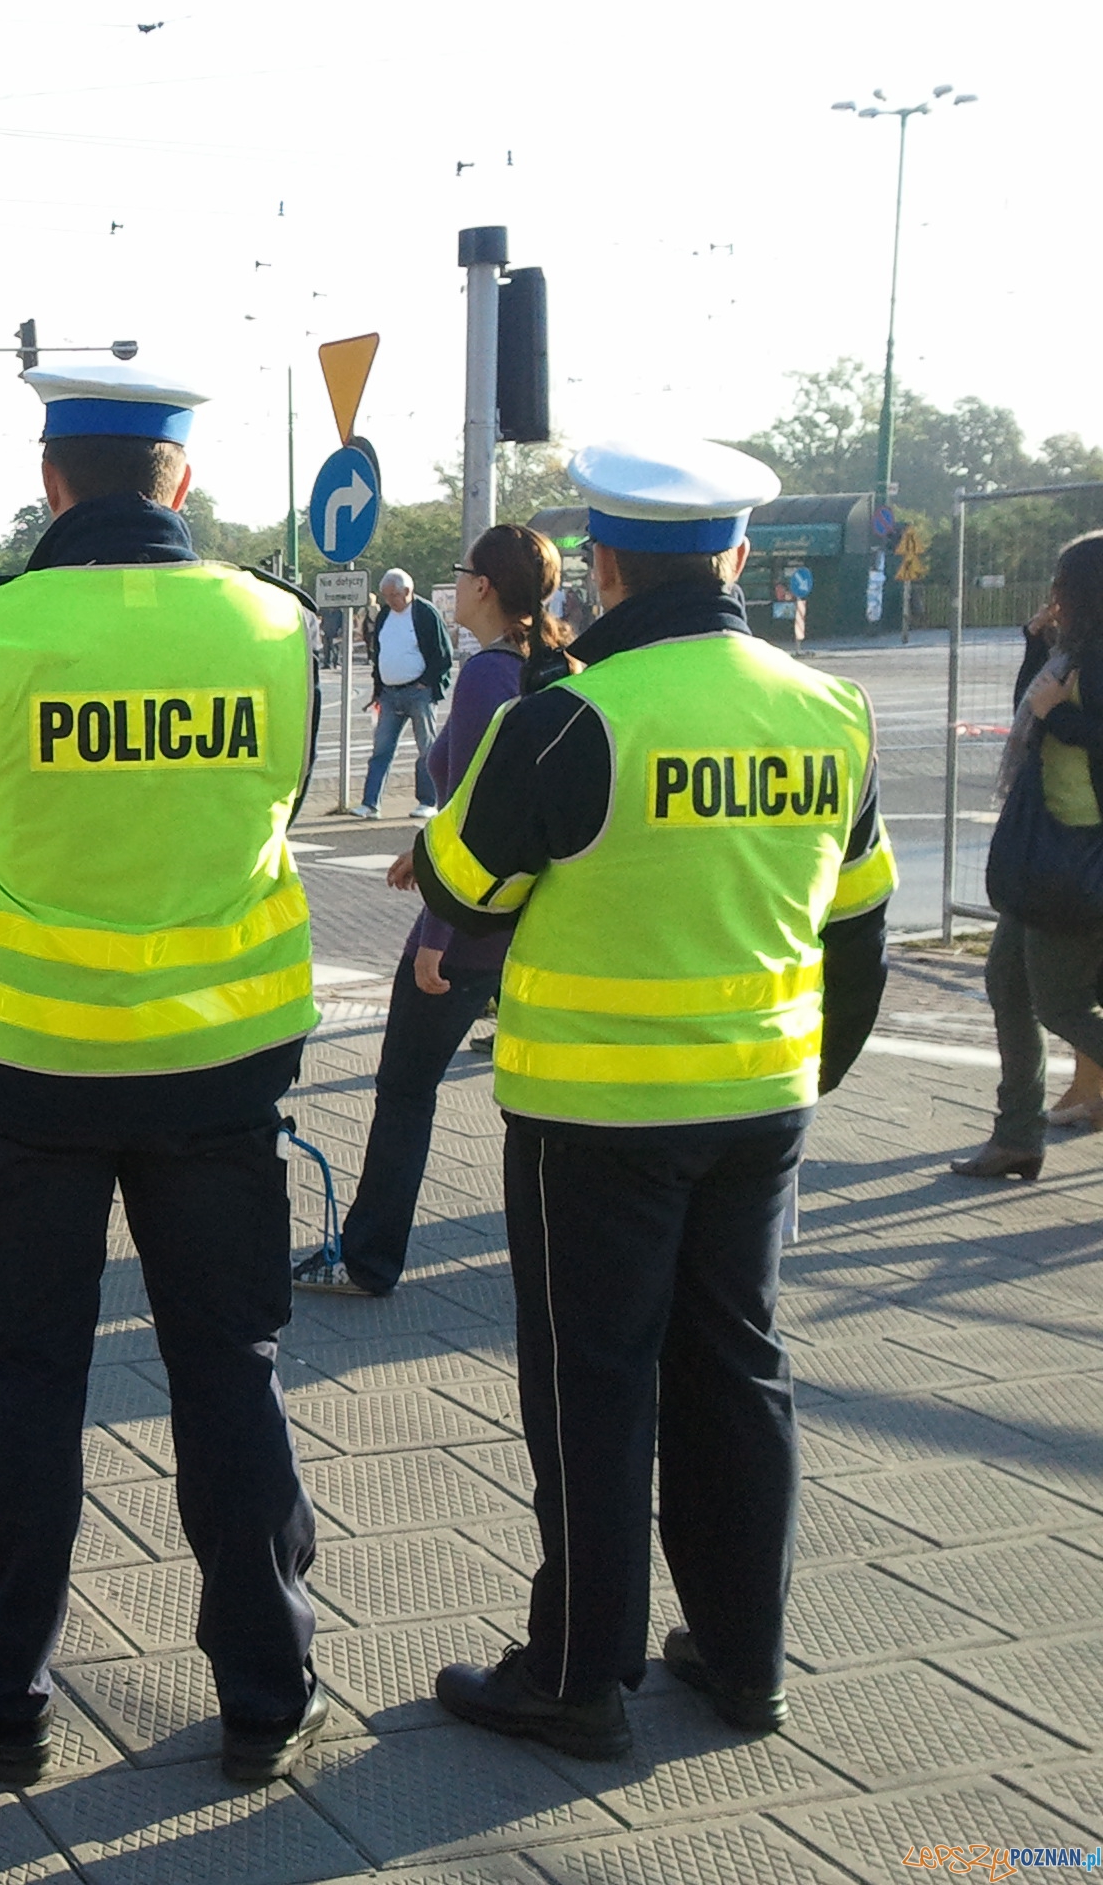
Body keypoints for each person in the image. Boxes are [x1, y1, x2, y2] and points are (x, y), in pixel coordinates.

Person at [0, 364, 329, 1789]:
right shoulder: (279, 628)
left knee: (26, 1385)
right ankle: (268, 1690)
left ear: (52, 477)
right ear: (178, 481)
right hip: (218, 1067)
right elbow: (280, 801)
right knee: (229, 1374)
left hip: (30, 1071)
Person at [412, 438, 892, 1761]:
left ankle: (576, 1676)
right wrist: (809, 1078)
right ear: (738, 557)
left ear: (608, 567)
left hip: (598, 1119)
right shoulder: (827, 710)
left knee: (594, 1386)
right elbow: (862, 932)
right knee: (739, 1370)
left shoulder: (572, 718)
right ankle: (745, 1662)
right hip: (762, 1106)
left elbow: (462, 884)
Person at [297, 525, 573, 1298]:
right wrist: (424, 849)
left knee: (406, 1092)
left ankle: (370, 1255)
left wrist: (436, 935)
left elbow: (481, 812)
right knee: (541, 1107)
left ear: (484, 586)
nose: (452, 588)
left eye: (460, 574)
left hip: (470, 929)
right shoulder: (553, 666)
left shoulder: (489, 675)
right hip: (536, 925)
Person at [953, 532, 1103, 1180]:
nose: (1052, 597)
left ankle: (1019, 1132)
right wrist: (1032, 646)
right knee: (1007, 984)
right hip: (1047, 851)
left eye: (1059, 586)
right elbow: (1030, 709)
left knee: (1061, 1003)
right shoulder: (1071, 652)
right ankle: (1017, 1135)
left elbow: (1059, 721)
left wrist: (1058, 716)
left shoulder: (1096, 662)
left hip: (1081, 858)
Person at [353, 568, 452, 820]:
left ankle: (428, 801)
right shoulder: (386, 614)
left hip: (419, 693)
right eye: (386, 596)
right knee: (381, 750)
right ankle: (370, 803)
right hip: (389, 693)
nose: (390, 601)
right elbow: (380, 653)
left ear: (407, 591)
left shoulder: (425, 613)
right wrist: (378, 690)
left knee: (426, 749)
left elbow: (443, 654)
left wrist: (426, 683)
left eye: (394, 595)